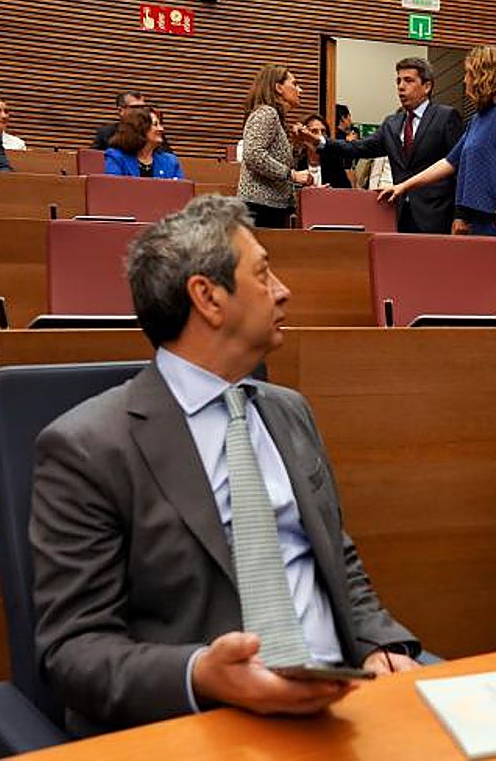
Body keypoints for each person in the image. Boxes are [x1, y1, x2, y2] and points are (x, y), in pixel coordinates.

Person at [32, 194, 420, 735]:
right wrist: (202, 675)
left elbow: (336, 556)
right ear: (208, 298)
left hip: (346, 695)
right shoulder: (87, 447)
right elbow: (74, 650)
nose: (283, 290)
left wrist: (378, 643)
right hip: (207, 722)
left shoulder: (289, 411)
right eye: (262, 274)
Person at [378, 45, 496, 238]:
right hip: (480, 218)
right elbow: (449, 162)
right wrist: (403, 186)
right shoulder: (478, 119)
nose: (465, 80)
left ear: (484, 75)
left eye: (468, 74)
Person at [303, 58, 463, 233]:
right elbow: (359, 147)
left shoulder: (446, 117)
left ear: (427, 86)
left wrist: (460, 215)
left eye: (408, 80)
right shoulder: (392, 124)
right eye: (398, 81)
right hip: (398, 214)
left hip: (438, 215)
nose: (401, 87)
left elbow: (459, 167)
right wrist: (320, 141)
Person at [239, 64, 312, 228]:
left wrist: (296, 144)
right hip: (260, 208)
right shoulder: (267, 113)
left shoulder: (277, 118)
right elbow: (253, 154)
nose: (300, 90)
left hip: (271, 207)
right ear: (279, 88)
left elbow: (277, 160)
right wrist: (292, 175)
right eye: (295, 84)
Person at [104, 108, 185, 179]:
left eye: (160, 124)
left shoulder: (170, 161)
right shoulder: (117, 157)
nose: (161, 129)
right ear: (140, 128)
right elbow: (114, 187)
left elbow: (179, 189)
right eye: (155, 124)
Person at [295, 113, 350, 189]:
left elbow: (346, 190)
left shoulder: (334, 161)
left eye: (323, 132)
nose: (319, 136)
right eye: (314, 131)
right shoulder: (295, 161)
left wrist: (330, 191)